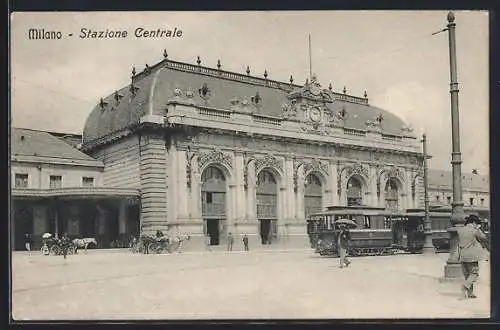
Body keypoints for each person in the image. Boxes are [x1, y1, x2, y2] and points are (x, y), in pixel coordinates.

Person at [457, 214, 488, 299]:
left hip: (462, 255)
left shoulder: (460, 230)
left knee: (468, 275)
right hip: (472, 256)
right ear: (474, 222)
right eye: (477, 223)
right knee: (474, 273)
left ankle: (470, 293)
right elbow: (484, 237)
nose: (477, 224)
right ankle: (464, 286)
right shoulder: (474, 230)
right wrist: (478, 229)